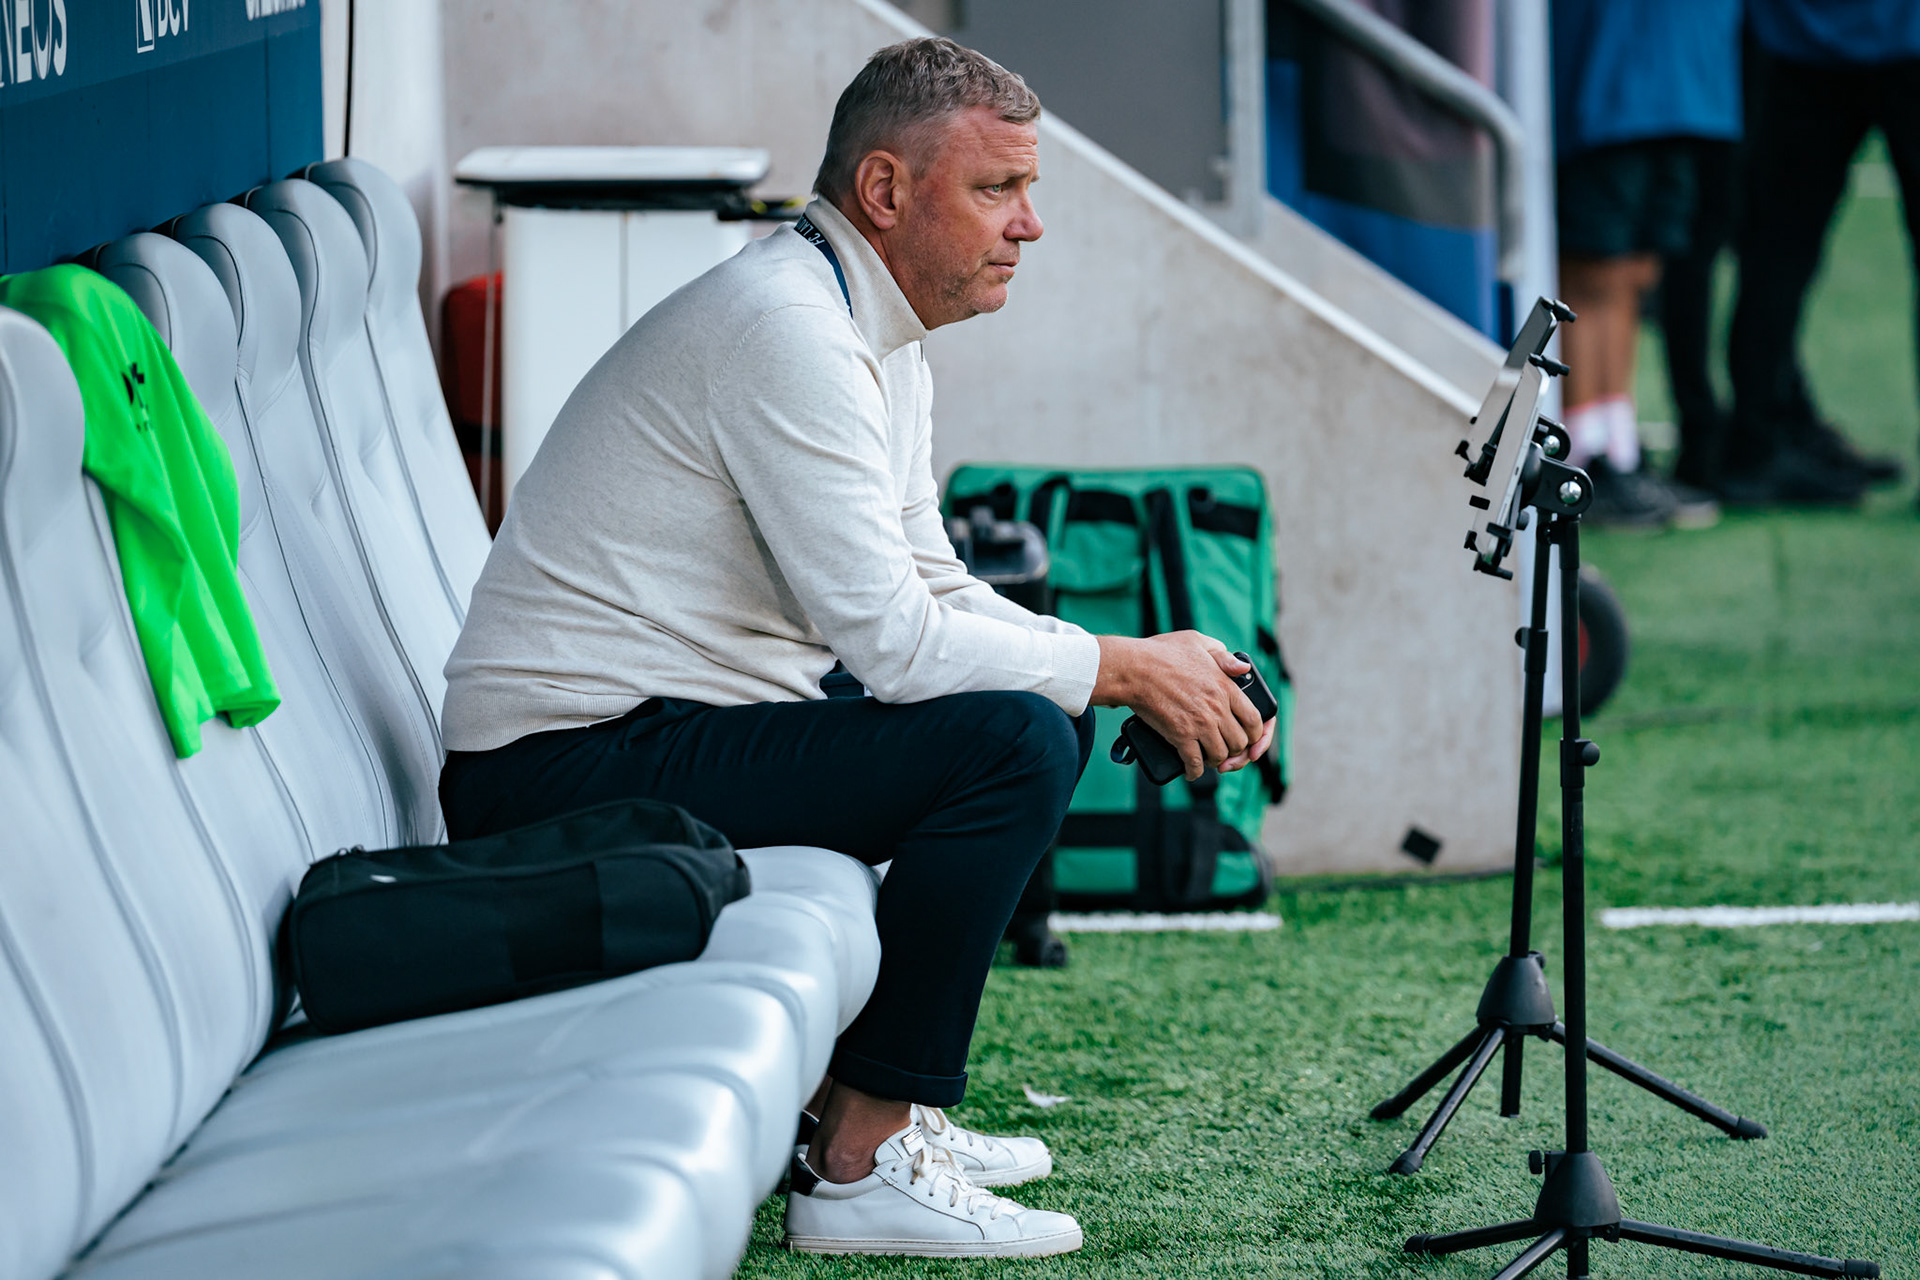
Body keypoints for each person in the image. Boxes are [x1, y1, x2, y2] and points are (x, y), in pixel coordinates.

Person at [437, 37, 1275, 1259]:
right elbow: (890, 642)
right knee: (1013, 737)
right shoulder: (787, 327)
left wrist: (1125, 655)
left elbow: (930, 581)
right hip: (555, 771)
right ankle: (860, 1158)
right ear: (884, 192)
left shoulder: (870, 321)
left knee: (1034, 705)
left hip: (650, 735)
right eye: (997, 189)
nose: (1029, 225)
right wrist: (1127, 667)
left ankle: (880, 1108)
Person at [1551, 0, 1740, 527]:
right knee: (1595, 271)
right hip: (1607, 78)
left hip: (1681, 83)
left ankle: (1620, 450)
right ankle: (1582, 458)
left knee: (1636, 272)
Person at [1721, 0, 1916, 503]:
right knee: (1776, 255)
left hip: (1802, 39)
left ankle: (1762, 440)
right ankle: (1761, 442)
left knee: (1775, 253)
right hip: (1820, 43)